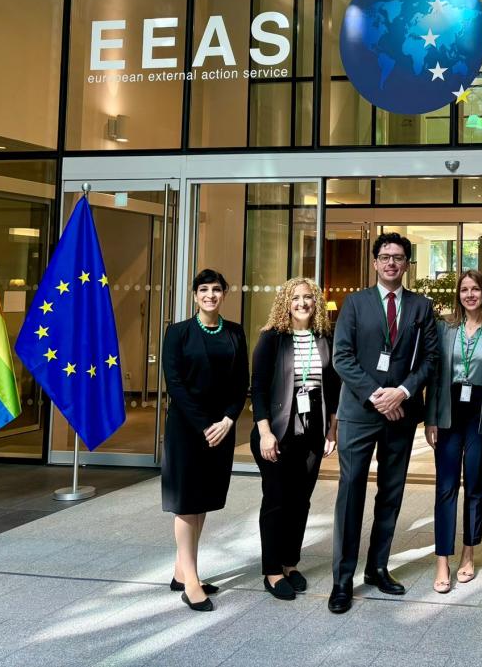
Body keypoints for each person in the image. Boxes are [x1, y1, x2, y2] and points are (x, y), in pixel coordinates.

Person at [329, 232, 439, 614]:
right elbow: (342, 357)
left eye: (399, 257)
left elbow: (429, 360)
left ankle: (377, 567)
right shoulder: (355, 303)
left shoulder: (421, 306)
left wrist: (403, 393)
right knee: (351, 491)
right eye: (385, 256)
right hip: (361, 413)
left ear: (407, 263)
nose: (392, 262)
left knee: (390, 494)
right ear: (375, 262)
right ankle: (342, 580)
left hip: (401, 415)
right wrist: (379, 396)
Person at [160, 269, 249, 613]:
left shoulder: (234, 333)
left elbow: (241, 382)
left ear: (224, 294)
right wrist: (204, 425)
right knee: (186, 502)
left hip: (221, 429)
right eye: (203, 290)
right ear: (195, 295)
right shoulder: (178, 333)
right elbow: (176, 384)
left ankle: (182, 571)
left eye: (216, 290)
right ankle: (191, 583)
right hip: (187, 429)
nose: (210, 295)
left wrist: (227, 420)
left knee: (203, 501)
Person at [250, 278, 340, 601]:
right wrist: (264, 432)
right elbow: (258, 387)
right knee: (275, 500)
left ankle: (290, 563)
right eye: (296, 298)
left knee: (300, 500)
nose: (302, 303)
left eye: (308, 298)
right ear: (285, 303)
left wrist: (332, 429)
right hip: (275, 431)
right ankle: (272, 571)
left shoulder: (324, 337)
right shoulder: (272, 338)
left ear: (316, 302)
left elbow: (333, 386)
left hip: (312, 432)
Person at [425, 270, 482, 593]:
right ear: (458, 294)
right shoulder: (445, 329)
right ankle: (443, 559)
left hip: (481, 414)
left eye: (475, 289)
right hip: (448, 413)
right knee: (445, 487)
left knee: (475, 485)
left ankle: (468, 554)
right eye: (464, 289)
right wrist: (430, 418)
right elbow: (433, 376)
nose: (470, 294)